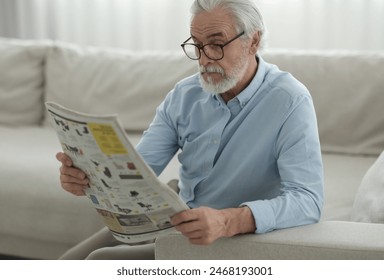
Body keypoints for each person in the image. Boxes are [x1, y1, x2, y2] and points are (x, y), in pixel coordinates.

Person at [56, 0, 323, 259]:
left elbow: (308, 200)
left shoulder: (290, 100)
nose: (205, 58)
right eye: (197, 45)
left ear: (252, 41)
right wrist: (87, 178)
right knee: (69, 261)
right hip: (181, 217)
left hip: (236, 235)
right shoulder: (185, 95)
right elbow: (137, 172)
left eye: (217, 45)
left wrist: (227, 220)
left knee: (99, 262)